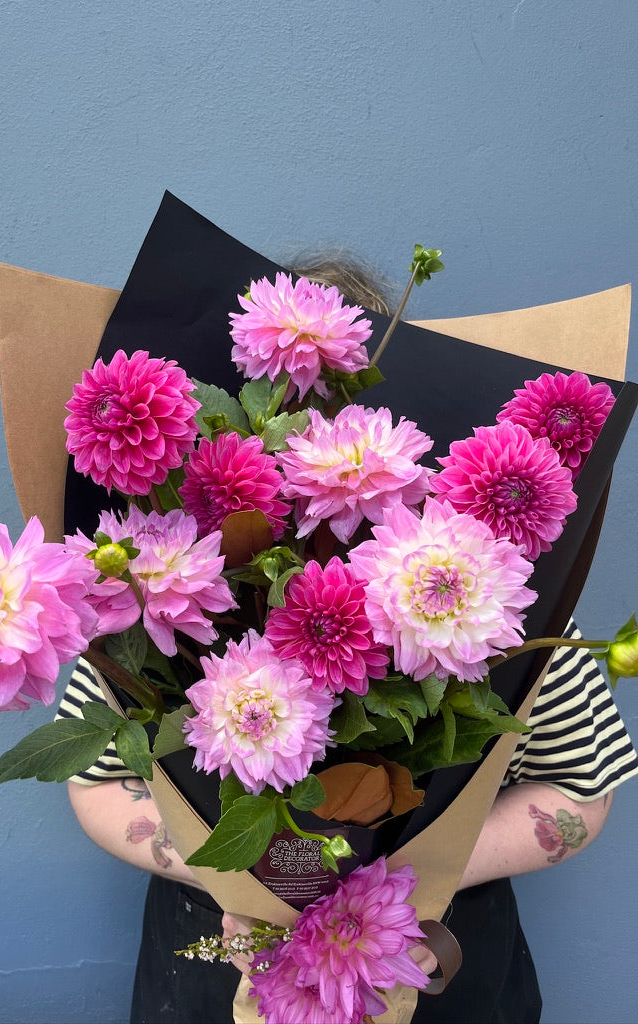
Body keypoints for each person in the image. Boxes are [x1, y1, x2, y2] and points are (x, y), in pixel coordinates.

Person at [57, 260, 638, 1024]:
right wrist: (226, 876)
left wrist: (419, 887)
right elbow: (96, 779)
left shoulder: (514, 614)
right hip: (217, 940)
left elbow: (580, 791)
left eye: (343, 417)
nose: (312, 446)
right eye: (284, 422)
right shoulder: (140, 611)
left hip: (437, 946)